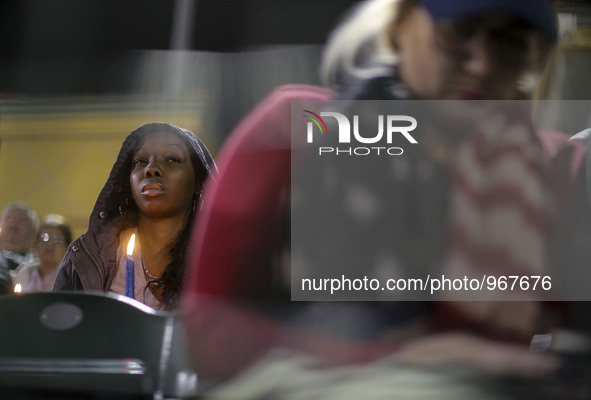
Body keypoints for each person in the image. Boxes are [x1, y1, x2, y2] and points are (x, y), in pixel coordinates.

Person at [182, 0, 575, 396]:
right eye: (459, 32)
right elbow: (205, 334)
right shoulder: (294, 131)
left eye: (511, 45)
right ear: (400, 26)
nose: (483, 66)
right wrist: (398, 354)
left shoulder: (536, 174)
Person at [54, 122, 217, 311]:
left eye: (172, 159)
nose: (152, 169)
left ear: (199, 182)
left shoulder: (219, 257)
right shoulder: (88, 256)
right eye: (140, 161)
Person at [13, 214, 72, 293]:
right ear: (35, 245)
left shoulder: (71, 278)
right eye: (45, 237)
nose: (50, 244)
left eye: (58, 239)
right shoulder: (23, 273)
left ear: (67, 248)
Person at [0, 201, 39, 271]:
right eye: (8, 218)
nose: (12, 225)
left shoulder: (37, 268)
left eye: (21, 221)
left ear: (33, 233)